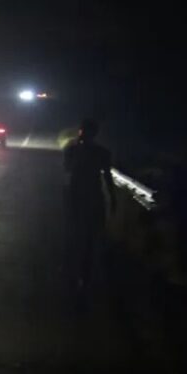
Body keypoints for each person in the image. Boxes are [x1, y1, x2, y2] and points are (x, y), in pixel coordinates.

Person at [63, 118, 116, 291]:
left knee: (79, 235)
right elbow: (107, 176)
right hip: (93, 197)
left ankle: (79, 272)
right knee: (92, 236)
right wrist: (112, 197)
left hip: (79, 197)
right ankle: (87, 273)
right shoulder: (102, 152)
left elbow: (67, 169)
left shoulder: (73, 150)